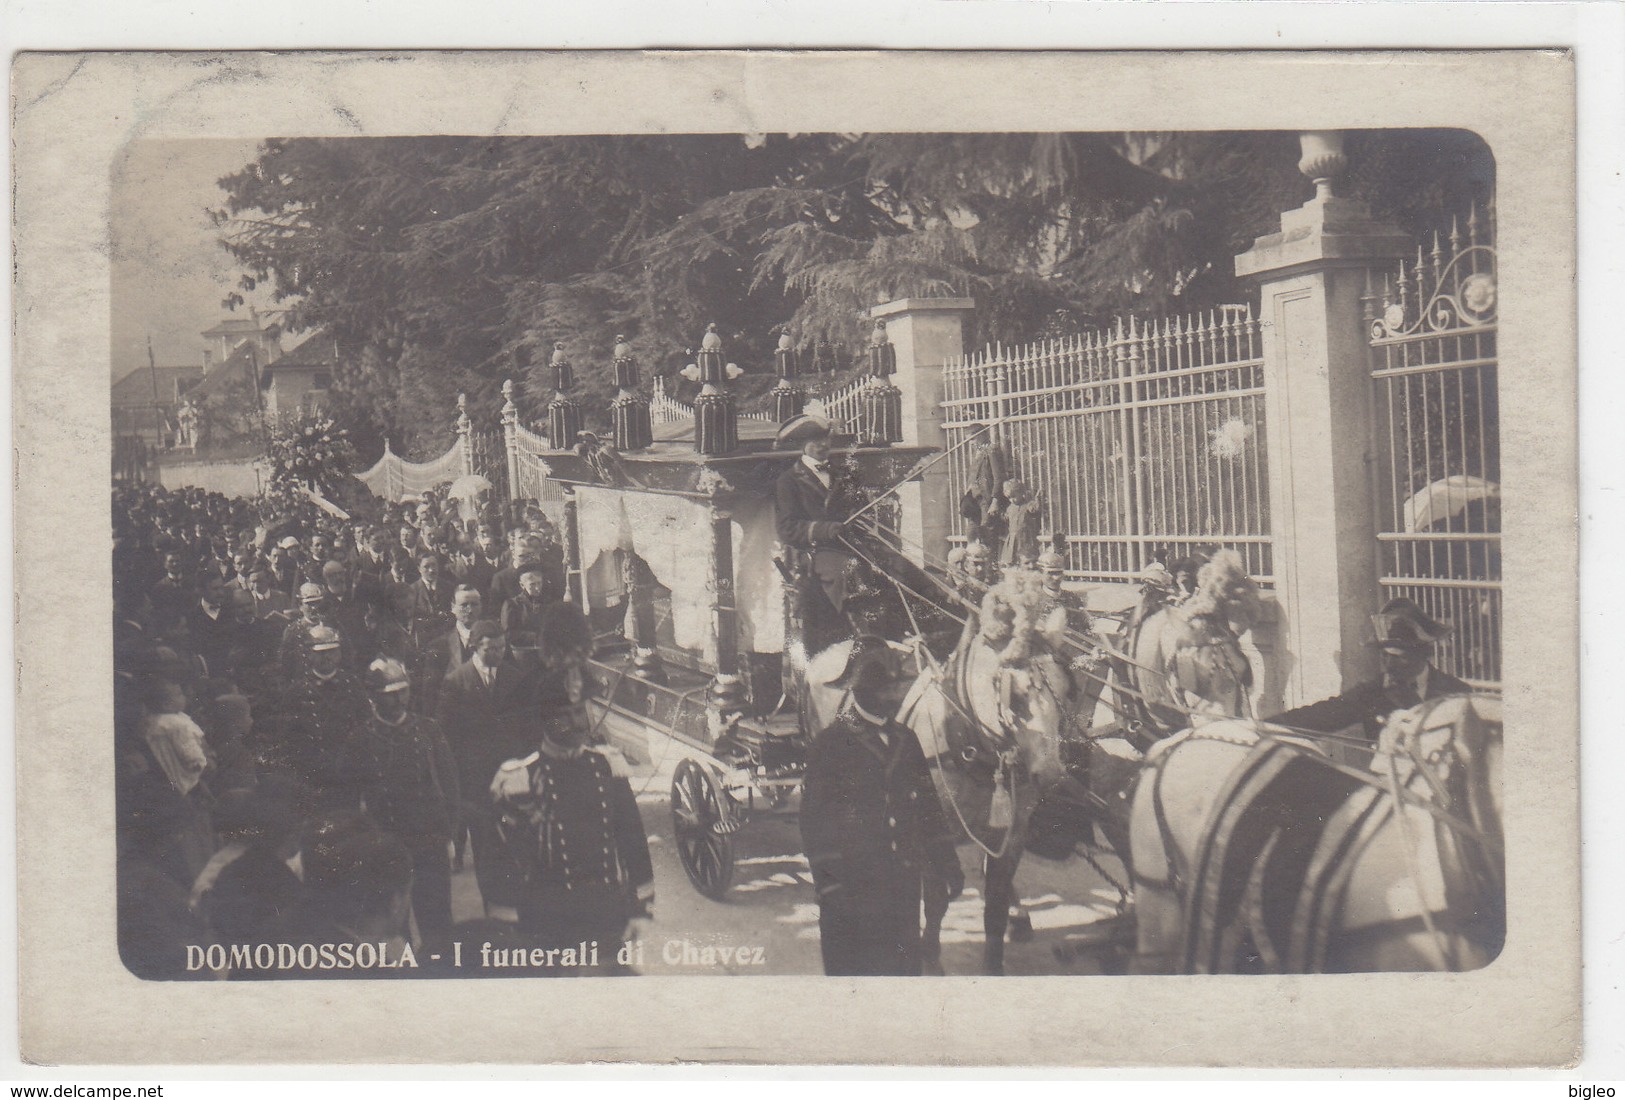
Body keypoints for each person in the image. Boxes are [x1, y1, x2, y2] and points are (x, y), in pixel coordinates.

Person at [799, 635, 962, 976]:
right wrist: (829, 884)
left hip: (901, 883)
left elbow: (929, 808)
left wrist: (948, 862)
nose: (892, 698)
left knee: (902, 971)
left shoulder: (906, 739)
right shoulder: (831, 744)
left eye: (895, 690)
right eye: (884, 691)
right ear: (861, 692)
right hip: (851, 887)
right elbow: (815, 822)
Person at [491, 650, 653, 972]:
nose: (578, 722)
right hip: (549, 920)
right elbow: (505, 858)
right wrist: (507, 922)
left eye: (581, 711)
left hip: (605, 913)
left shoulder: (607, 766)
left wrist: (639, 908)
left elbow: (631, 838)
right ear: (545, 719)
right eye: (566, 715)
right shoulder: (520, 778)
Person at [350, 657, 459, 952]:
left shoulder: (428, 730)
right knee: (392, 928)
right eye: (389, 694)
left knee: (437, 921)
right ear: (374, 697)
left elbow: (449, 786)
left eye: (403, 691)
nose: (399, 700)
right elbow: (353, 794)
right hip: (386, 841)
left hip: (429, 840)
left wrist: (450, 834)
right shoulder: (361, 738)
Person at [1267, 596, 1473, 747]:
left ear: (1424, 654)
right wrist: (1264, 728)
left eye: (1399, 657)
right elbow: (1322, 715)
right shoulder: (1372, 693)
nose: (1389, 665)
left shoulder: (1456, 693)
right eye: (1384, 655)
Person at [435, 620, 535, 913]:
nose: (497, 654)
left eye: (501, 648)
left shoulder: (516, 678)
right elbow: (445, 736)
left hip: (512, 777)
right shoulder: (456, 681)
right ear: (475, 648)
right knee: (485, 847)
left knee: (517, 842)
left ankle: (520, 907)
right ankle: (493, 908)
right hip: (475, 783)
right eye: (491, 649)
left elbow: (528, 729)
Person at [417, 583, 482, 716]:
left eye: (474, 604)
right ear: (453, 607)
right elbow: (430, 693)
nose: (470, 610)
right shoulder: (438, 645)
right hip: (453, 716)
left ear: (481, 606)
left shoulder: (494, 639)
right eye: (464, 605)